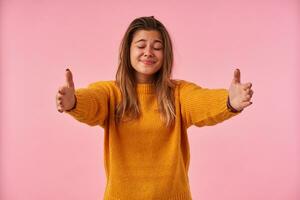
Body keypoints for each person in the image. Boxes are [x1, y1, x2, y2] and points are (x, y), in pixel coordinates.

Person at [55, 16, 253, 200]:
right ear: (128, 51)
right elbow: (92, 102)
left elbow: (202, 101)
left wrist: (228, 102)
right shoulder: (110, 92)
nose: (148, 52)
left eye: (157, 47)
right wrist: (74, 102)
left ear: (165, 54)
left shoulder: (178, 92)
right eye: (141, 45)